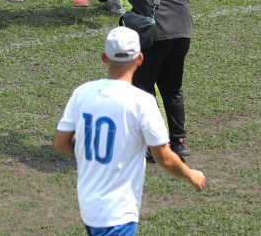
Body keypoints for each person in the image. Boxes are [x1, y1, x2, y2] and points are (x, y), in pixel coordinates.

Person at [54, 26, 205, 235]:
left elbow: (60, 142)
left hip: (89, 206)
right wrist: (190, 175)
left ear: (104, 58)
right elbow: (164, 157)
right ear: (140, 59)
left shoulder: (82, 93)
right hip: (118, 213)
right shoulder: (142, 102)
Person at [98, 0, 195, 160]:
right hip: (183, 28)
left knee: (143, 88)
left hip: (154, 32)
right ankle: (179, 143)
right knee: (172, 88)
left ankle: (153, 145)